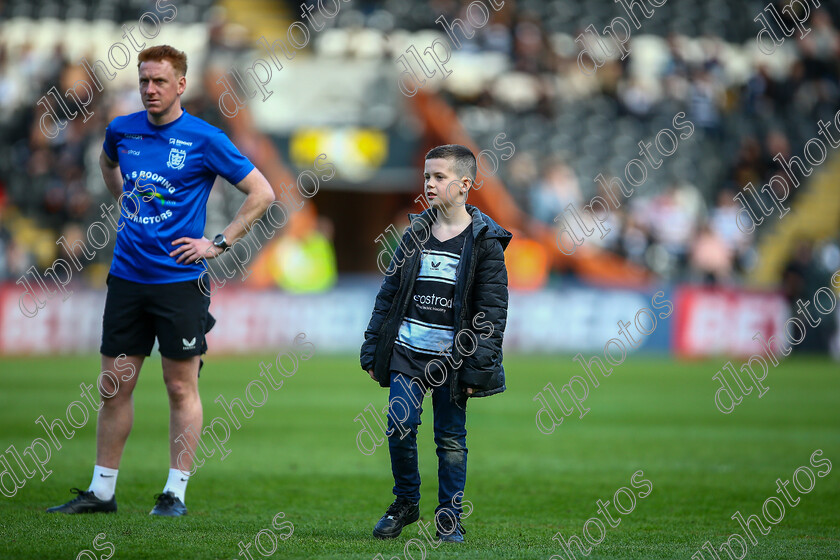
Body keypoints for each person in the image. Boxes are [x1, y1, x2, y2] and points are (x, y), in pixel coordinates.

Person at [46, 45, 274, 516]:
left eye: (160, 82)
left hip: (179, 282)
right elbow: (111, 168)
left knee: (179, 387)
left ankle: (174, 493)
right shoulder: (120, 130)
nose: (150, 89)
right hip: (127, 277)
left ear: (181, 85)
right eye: (144, 80)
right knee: (114, 385)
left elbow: (262, 192)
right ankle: (102, 492)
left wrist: (218, 243)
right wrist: (125, 202)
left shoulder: (205, 138)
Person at [360, 144, 511, 542]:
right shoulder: (414, 233)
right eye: (427, 176)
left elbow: (491, 313)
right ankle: (406, 502)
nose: (429, 184)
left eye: (439, 177)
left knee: (450, 440)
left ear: (464, 184)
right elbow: (388, 295)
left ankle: (449, 519)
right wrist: (374, 346)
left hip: (453, 362)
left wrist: (478, 365)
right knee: (399, 423)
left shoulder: (485, 243)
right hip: (407, 353)